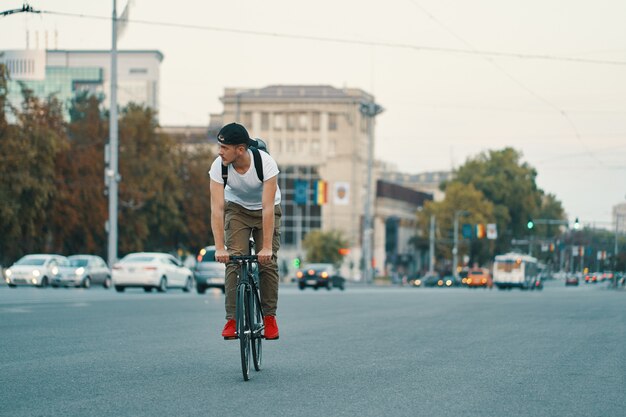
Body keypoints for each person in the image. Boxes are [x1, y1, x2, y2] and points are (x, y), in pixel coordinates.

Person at [208, 122, 282, 340]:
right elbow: (217, 209)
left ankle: (269, 318)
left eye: (224, 147)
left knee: (267, 262)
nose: (219, 151)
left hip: (265, 210)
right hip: (237, 210)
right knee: (234, 260)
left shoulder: (265, 164)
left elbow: (268, 208)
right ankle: (231, 319)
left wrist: (266, 247)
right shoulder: (218, 166)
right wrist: (220, 247)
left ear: (240, 149)